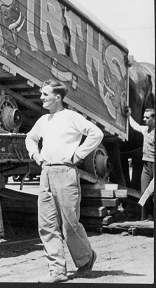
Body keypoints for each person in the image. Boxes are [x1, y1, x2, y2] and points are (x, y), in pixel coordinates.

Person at [25, 79, 103, 283]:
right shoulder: (43, 120)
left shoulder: (71, 116)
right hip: (46, 173)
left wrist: (78, 155)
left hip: (66, 172)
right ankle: (57, 270)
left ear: (57, 97)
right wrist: (35, 155)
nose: (41, 97)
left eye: (45, 94)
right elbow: (30, 138)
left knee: (69, 223)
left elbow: (97, 133)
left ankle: (86, 259)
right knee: (46, 224)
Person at [125, 107, 155, 220]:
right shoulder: (145, 130)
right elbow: (135, 126)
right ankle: (145, 218)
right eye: (144, 117)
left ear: (154, 119)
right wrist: (129, 116)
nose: (144, 119)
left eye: (147, 118)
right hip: (146, 166)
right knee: (144, 193)